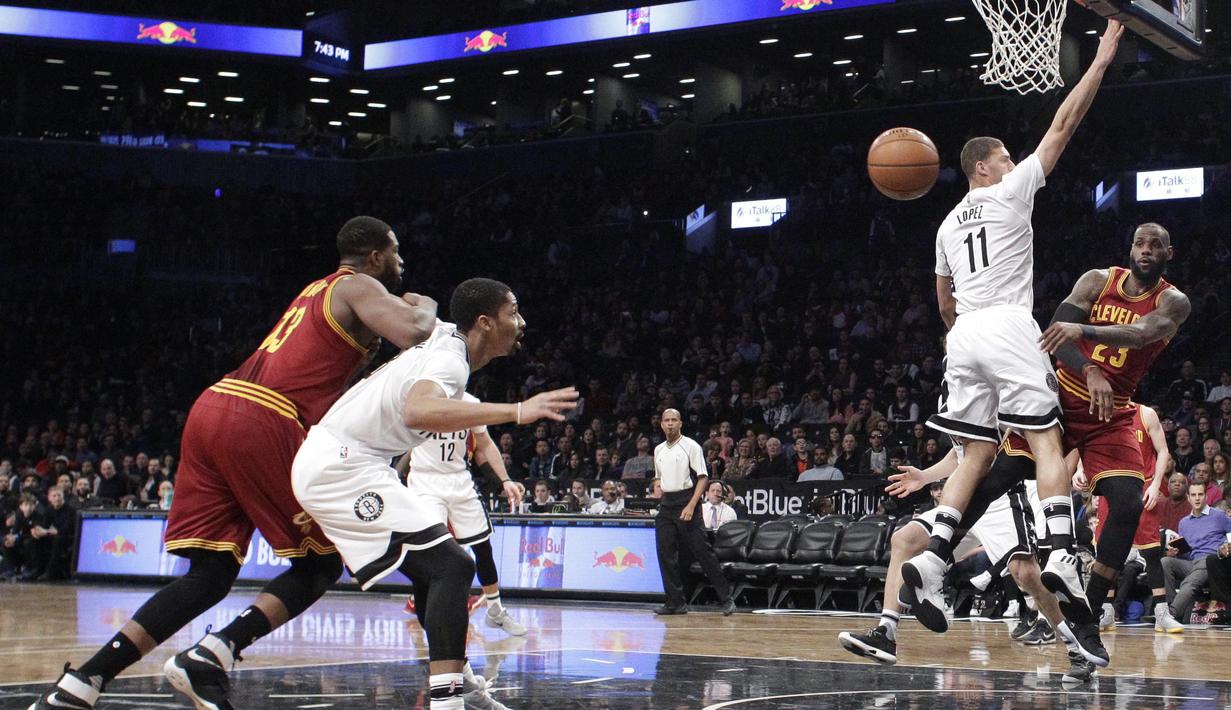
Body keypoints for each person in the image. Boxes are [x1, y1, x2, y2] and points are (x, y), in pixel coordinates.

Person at [30, 216, 440, 710]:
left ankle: (83, 684)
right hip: (264, 417)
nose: (402, 261)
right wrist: (423, 303)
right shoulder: (359, 285)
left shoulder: (316, 292)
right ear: (375, 256)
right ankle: (214, 652)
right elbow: (415, 331)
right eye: (396, 252)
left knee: (210, 573)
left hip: (215, 406)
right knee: (322, 562)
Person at [904, 21, 1125, 644]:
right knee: (1047, 438)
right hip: (1004, 321)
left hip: (963, 334)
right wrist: (1102, 60)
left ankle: (933, 554)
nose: (1012, 160)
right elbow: (1063, 125)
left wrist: (964, 341)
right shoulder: (1009, 191)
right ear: (983, 166)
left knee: (976, 451)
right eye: (1003, 155)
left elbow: (943, 302)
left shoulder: (946, 224)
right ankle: (1060, 553)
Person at [291, 278, 577, 710]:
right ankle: (448, 700)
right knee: (452, 566)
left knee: (444, 568)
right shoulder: (451, 361)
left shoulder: (446, 337)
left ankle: (455, 681)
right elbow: (418, 410)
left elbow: (419, 305)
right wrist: (519, 411)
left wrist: (417, 305)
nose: (522, 321)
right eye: (513, 312)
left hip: (355, 461)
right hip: (342, 465)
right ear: (484, 322)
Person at [839, 433, 1105, 677]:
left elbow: (987, 451)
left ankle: (1078, 648)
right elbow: (960, 452)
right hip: (961, 497)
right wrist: (925, 476)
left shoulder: (997, 387)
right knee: (904, 539)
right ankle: (886, 632)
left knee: (1026, 574)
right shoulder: (953, 390)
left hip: (1001, 498)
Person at [1036, 222, 1191, 643]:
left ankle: (1096, 606)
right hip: (1065, 397)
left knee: (1133, 521)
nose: (1145, 250)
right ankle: (939, 554)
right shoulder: (1098, 280)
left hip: (1114, 425)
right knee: (1005, 475)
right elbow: (1055, 333)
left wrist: (1083, 330)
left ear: (1167, 254)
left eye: (1155, 245)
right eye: (1139, 243)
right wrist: (1087, 367)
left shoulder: (1173, 302)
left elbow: (1141, 335)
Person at [397, 392, 528, 638]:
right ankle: (431, 609)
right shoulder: (420, 399)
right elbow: (403, 445)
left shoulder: (470, 403)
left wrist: (505, 480)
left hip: (459, 478)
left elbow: (485, 443)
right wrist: (394, 475)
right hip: (425, 481)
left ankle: (495, 609)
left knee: (483, 546)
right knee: (434, 550)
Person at [1084, 404, 1170, 630]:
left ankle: (1162, 612)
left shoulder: (1146, 414)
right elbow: (1085, 445)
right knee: (1107, 551)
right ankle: (1107, 610)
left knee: (1151, 551)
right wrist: (1080, 471)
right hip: (1112, 486)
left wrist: (1157, 484)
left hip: (1143, 485)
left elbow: (1163, 451)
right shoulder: (1100, 414)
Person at [652, 408, 735, 616]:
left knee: (702, 551)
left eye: (674, 420)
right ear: (661, 424)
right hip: (667, 503)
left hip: (687, 499)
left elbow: (703, 477)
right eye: (667, 420)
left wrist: (691, 505)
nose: (670, 423)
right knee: (665, 553)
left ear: (680, 424)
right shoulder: (659, 449)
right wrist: (656, 485)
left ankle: (726, 598)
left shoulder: (691, 446)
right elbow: (658, 476)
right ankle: (675, 602)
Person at [1157, 482, 1231, 631]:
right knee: (1165, 561)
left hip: (1212, 561)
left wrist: (1225, 548)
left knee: (1197, 572)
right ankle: (1170, 611)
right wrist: (1177, 552)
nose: (1197, 498)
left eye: (1200, 494)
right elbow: (1187, 553)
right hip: (1192, 562)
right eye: (1193, 495)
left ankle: (1171, 614)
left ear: (1206, 496)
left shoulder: (1219, 516)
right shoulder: (1183, 523)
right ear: (1188, 498)